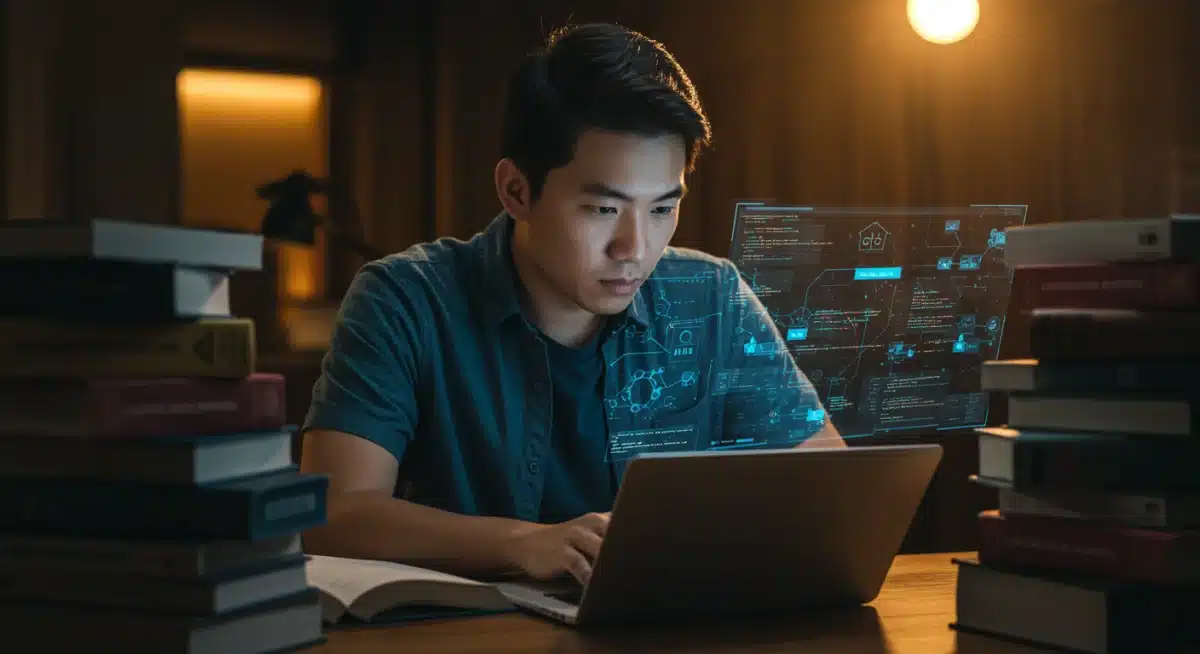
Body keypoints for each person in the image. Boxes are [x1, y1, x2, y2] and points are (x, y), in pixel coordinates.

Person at [299, 22, 844, 587]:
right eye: (603, 210)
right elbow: (333, 514)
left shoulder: (712, 298)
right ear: (517, 192)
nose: (635, 250)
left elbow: (832, 485)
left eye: (661, 209)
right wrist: (523, 543)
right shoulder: (406, 301)